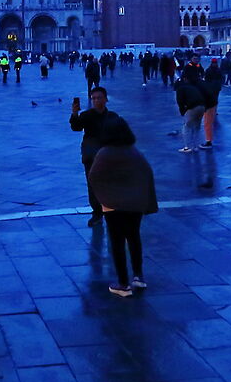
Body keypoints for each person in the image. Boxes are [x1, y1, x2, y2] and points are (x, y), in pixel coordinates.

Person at [87, 116, 157, 296]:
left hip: (114, 206)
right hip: (134, 204)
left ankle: (123, 284)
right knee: (134, 238)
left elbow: (94, 177)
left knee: (117, 242)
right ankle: (138, 277)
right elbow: (147, 173)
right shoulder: (133, 152)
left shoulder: (105, 153)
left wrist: (105, 199)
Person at [69, 87, 128, 224]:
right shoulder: (87, 115)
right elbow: (76, 127)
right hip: (91, 155)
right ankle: (97, 212)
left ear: (106, 99)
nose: (96, 100)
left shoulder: (113, 116)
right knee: (93, 185)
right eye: (94, 98)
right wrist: (74, 113)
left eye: (99, 98)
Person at [173, 65, 209, 153]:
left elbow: (180, 101)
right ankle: (196, 146)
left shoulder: (181, 88)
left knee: (187, 127)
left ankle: (187, 147)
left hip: (193, 107)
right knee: (197, 127)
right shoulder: (192, 87)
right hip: (202, 106)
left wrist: (183, 112)